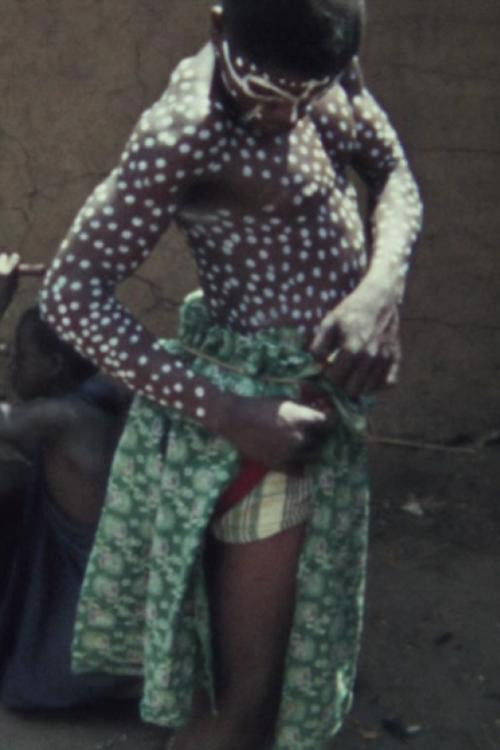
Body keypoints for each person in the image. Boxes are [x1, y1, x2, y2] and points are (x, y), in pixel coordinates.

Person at [40, 1, 422, 748]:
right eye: (268, 93)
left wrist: (380, 292)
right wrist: (227, 413)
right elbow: (70, 295)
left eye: (308, 94)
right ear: (218, 27)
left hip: (315, 412)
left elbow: (394, 174)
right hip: (260, 429)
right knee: (239, 702)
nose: (288, 115)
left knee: (265, 672)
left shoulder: (325, 64)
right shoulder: (185, 134)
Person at [0, 252, 137, 710]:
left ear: (56, 365)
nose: (10, 364)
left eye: (20, 356)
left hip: (88, 606)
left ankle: (105, 682)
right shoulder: (104, 391)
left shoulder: (60, 418)